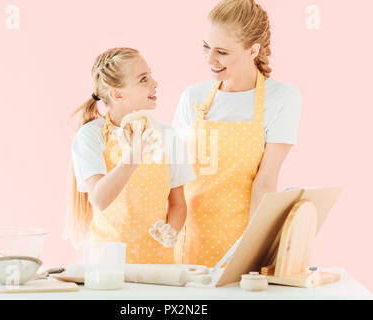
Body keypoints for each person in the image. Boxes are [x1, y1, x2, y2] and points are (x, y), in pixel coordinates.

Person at [172, 0, 302, 267]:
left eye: (222, 52)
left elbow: (265, 182)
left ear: (253, 50)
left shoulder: (282, 98)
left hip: (241, 241)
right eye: (206, 47)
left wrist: (250, 255)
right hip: (188, 241)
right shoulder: (193, 97)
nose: (210, 60)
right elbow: (174, 176)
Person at [66, 47, 195, 264]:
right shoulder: (91, 136)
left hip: (157, 267)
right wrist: (135, 154)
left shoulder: (168, 135)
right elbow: (99, 198)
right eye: (143, 79)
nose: (155, 83)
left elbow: (178, 203)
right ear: (117, 94)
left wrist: (170, 231)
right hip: (107, 268)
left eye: (150, 75)